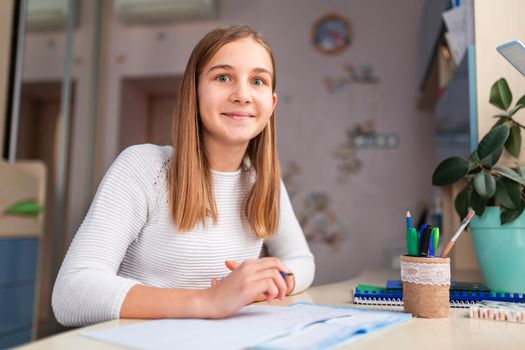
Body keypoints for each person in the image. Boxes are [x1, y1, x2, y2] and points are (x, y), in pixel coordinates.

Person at [52, 24, 315, 327]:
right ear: (194, 91)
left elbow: (302, 261)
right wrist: (208, 301)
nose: (242, 95)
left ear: (271, 103)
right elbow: (71, 292)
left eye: (257, 81)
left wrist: (260, 284)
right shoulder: (143, 167)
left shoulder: (262, 180)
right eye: (223, 77)